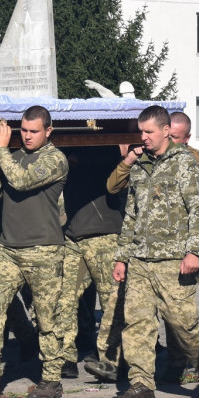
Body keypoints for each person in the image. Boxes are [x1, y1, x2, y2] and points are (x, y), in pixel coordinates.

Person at [109, 106, 199, 398]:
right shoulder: (139, 165)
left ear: (166, 131)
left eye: (148, 132)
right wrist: (122, 257)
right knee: (138, 325)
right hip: (142, 260)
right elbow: (131, 216)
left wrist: (193, 251)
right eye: (140, 132)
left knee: (183, 326)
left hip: (174, 261)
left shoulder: (185, 163)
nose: (142, 137)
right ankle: (141, 385)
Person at [0, 107, 69, 398]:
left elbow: (21, 181)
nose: (28, 136)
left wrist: (2, 150)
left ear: (48, 131)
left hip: (44, 250)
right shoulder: (12, 157)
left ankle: (51, 379)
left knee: (47, 318)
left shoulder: (55, 159)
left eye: (34, 131)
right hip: (8, 249)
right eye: (24, 130)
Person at [57, 147, 127, 384]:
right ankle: (66, 356)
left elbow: (110, 158)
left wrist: (79, 156)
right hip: (72, 233)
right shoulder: (62, 146)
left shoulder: (103, 144)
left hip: (103, 233)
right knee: (65, 297)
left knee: (111, 299)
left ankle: (113, 359)